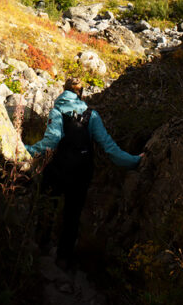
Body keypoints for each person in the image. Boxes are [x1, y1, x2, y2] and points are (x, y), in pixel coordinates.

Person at [26, 77, 142, 266]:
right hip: (81, 173)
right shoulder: (91, 115)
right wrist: (134, 161)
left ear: (63, 91)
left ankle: (41, 250)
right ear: (81, 93)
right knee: (72, 215)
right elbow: (109, 147)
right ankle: (64, 257)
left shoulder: (56, 112)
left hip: (56, 170)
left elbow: (50, 143)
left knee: (47, 208)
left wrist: (24, 150)